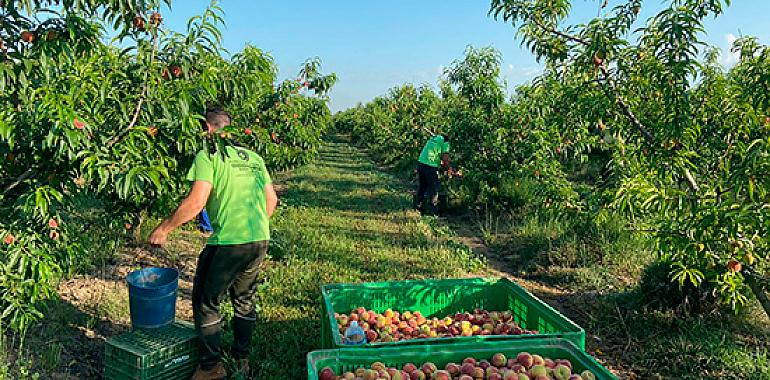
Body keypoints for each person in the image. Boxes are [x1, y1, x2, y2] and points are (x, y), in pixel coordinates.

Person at [148, 107, 279, 380]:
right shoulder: (253, 158)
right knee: (244, 299)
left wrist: (163, 229)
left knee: (207, 301)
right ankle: (241, 359)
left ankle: (210, 367)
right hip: (259, 239)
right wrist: (253, 228)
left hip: (229, 243)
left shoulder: (208, 154)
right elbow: (272, 201)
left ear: (207, 129)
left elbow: (196, 203)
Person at [414, 133, 456, 215]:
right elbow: (445, 158)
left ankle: (419, 206)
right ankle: (432, 211)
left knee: (423, 186)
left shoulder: (434, 138)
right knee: (434, 188)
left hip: (421, 163)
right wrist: (450, 169)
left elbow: (436, 154)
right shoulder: (445, 141)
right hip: (430, 165)